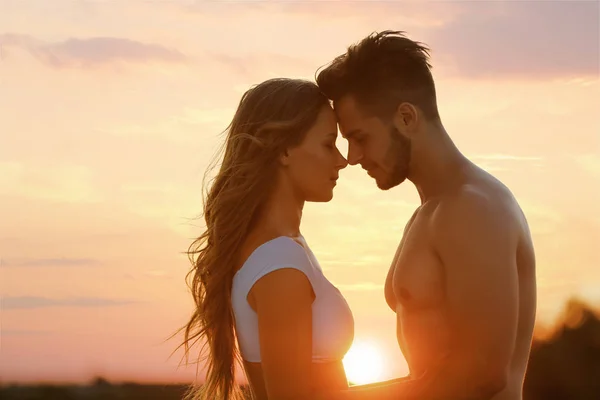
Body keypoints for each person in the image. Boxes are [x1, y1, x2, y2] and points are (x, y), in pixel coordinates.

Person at [314, 31, 538, 399]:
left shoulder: (473, 208)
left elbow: (481, 373)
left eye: (361, 137)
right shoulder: (431, 212)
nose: (352, 156)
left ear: (405, 117)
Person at [177, 78, 353, 400]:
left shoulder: (284, 250)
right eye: (329, 144)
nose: (342, 160)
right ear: (284, 150)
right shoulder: (278, 263)